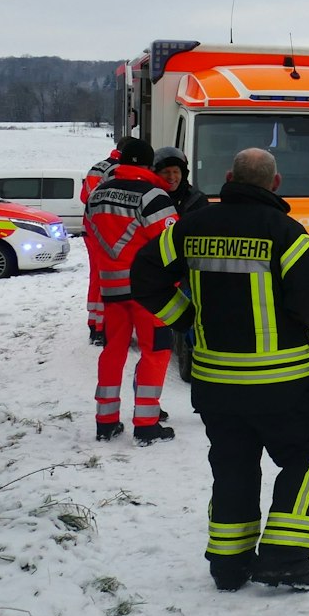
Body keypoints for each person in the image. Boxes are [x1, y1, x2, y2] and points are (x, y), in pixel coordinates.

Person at [132, 148, 309, 591]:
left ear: (229, 178)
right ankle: (283, 558)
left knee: (233, 467)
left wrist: (186, 318)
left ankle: (229, 563)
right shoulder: (288, 234)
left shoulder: (190, 227)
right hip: (280, 382)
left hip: (215, 384)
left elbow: (144, 273)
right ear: (275, 184)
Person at [86, 137, 179, 445]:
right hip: (147, 292)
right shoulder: (153, 196)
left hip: (112, 289)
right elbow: (171, 245)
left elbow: (91, 234)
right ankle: (146, 424)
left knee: (113, 351)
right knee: (156, 351)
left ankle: (106, 421)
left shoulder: (97, 194)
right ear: (148, 165)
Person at [81, 141, 120, 345]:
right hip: (106, 230)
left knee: (96, 276)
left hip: (90, 228)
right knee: (109, 279)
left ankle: (93, 323)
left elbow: (83, 197)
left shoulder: (97, 167)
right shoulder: (119, 170)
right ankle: (101, 327)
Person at [152, 146, 210, 216]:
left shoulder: (197, 199)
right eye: (166, 172)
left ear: (183, 174)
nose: (171, 177)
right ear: (156, 174)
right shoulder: (149, 198)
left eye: (176, 172)